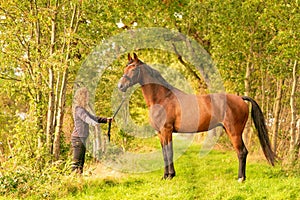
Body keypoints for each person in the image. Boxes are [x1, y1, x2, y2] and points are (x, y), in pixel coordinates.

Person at [71, 87, 112, 174]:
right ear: (82, 97)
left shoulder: (84, 109)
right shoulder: (78, 109)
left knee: (81, 163)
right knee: (76, 163)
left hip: (83, 138)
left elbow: (93, 117)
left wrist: (106, 119)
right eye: (86, 97)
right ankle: (72, 181)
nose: (87, 99)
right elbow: (86, 118)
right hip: (78, 138)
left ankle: (79, 182)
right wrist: (93, 123)